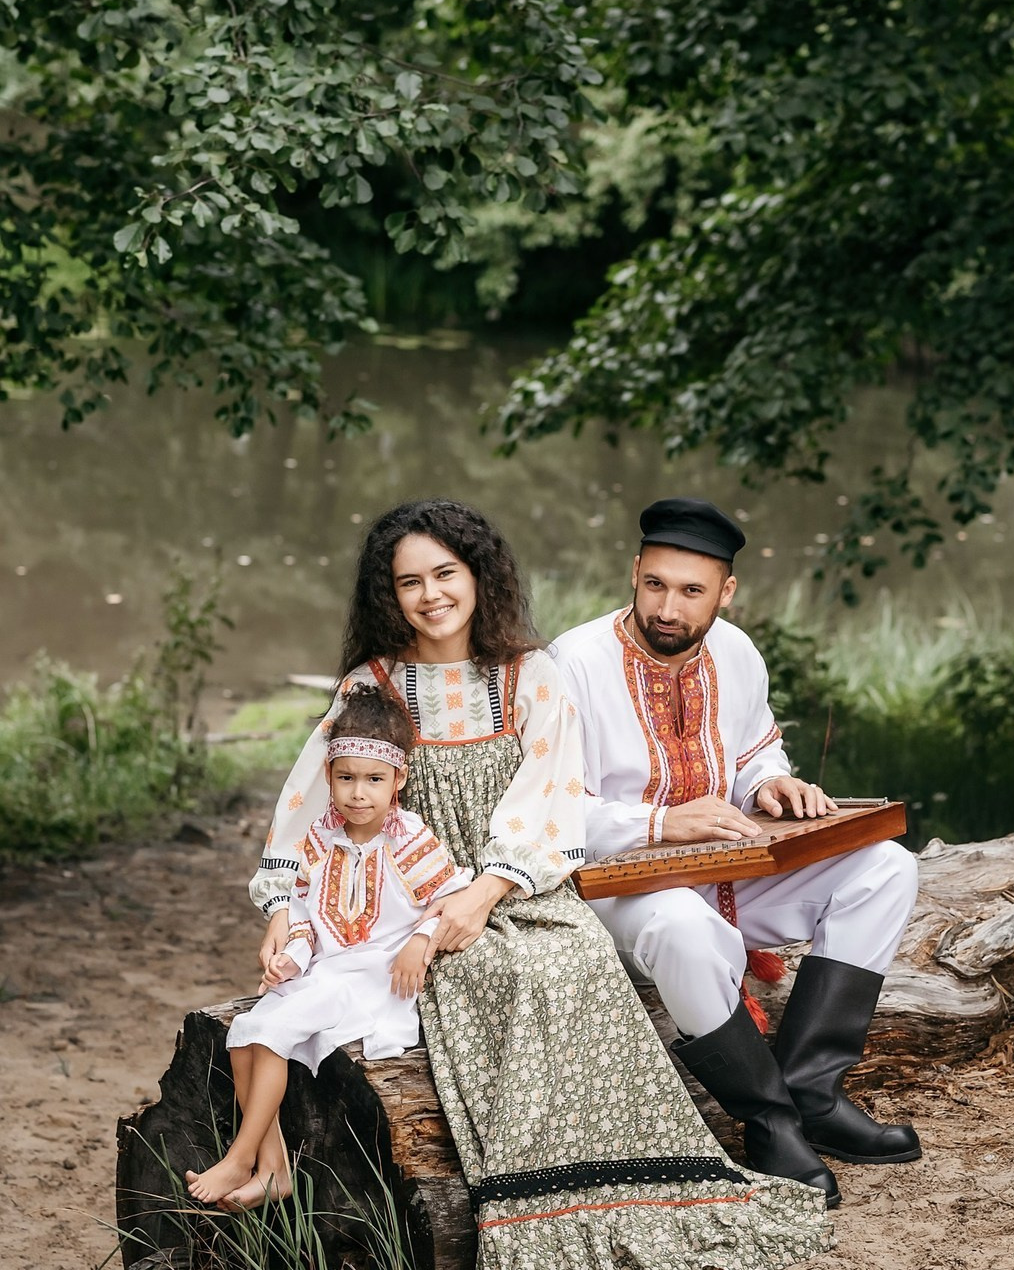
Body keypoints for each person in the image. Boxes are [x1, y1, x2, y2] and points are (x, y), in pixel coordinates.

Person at [248, 499, 831, 1269]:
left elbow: (552, 800)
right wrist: (283, 907)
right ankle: (537, 1207)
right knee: (498, 972)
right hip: (412, 895)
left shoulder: (529, 674)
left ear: (477, 575)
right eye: (409, 582)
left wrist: (487, 891)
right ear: (389, 594)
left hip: (521, 883)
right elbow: (311, 802)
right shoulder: (374, 685)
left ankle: (626, 1189)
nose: (430, 595)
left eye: (445, 574)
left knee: (572, 958)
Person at [552, 497, 923, 1209]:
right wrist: (662, 823)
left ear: (725, 591)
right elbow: (552, 810)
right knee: (683, 927)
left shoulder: (736, 650)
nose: (667, 608)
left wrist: (770, 783)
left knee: (885, 868)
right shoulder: (573, 663)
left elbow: (754, 751)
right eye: (655, 584)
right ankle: (768, 1121)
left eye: (691, 591)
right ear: (634, 573)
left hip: (731, 867)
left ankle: (814, 1094)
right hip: (614, 885)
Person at [186, 683, 471, 1210]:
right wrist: (288, 960)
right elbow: (304, 917)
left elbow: (453, 898)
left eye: (374, 779)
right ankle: (273, 1168)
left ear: (399, 779)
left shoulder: (409, 839)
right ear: (329, 776)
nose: (358, 793)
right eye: (346, 778)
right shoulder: (320, 837)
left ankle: (240, 1157)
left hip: (375, 978)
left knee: (271, 1033)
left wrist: (420, 941)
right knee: (243, 1036)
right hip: (326, 972)